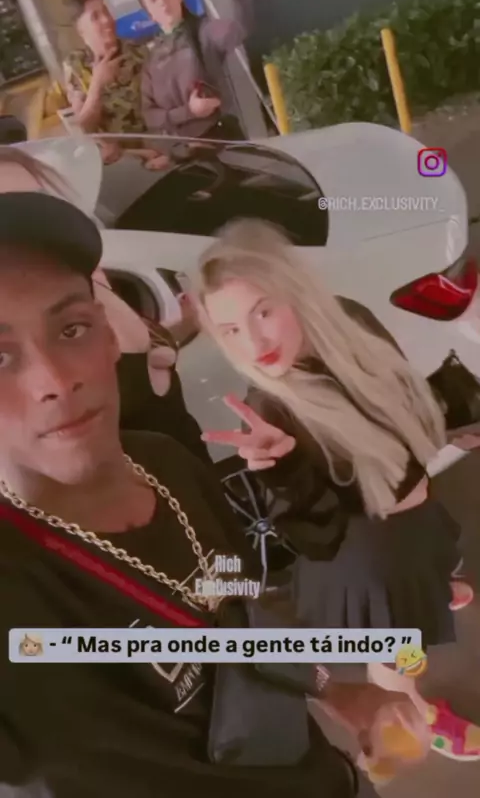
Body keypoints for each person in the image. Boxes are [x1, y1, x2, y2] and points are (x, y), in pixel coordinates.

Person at [0, 191, 427, 798]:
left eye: (71, 329)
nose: (55, 379)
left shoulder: (168, 464)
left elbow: (239, 611)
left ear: (109, 334)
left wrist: (336, 688)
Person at [193, 218, 479, 762]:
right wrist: (282, 470)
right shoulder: (271, 409)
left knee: (430, 572)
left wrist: (453, 429)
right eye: (230, 329)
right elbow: (319, 539)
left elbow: (398, 411)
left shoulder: (350, 321)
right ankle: (414, 716)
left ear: (294, 291)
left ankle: (433, 586)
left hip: (411, 521)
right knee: (398, 655)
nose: (254, 343)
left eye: (262, 312)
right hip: (371, 560)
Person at [0, 145, 209, 464]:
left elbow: (140, 356)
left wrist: (186, 324)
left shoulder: (88, 284)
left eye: (36, 203)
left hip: (195, 478)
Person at [138, 0, 252, 140]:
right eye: (153, 0)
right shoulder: (152, 57)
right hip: (181, 150)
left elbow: (242, 26)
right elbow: (150, 116)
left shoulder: (204, 31)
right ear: (150, 15)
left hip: (220, 140)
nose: (163, 1)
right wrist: (188, 112)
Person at [63, 0, 167, 169]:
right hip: (121, 162)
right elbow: (84, 129)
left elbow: (165, 104)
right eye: (95, 17)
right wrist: (97, 83)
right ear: (80, 29)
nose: (106, 20)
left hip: (160, 148)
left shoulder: (138, 51)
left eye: (105, 11)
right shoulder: (76, 66)